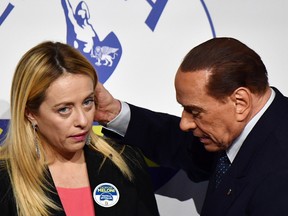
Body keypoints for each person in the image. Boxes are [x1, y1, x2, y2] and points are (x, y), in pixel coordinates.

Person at [94, 37, 288, 216]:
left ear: (240, 102)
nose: (184, 123)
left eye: (195, 112)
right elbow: (178, 143)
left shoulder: (279, 172)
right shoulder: (243, 129)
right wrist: (113, 113)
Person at [0, 41, 159, 216]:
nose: (83, 120)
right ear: (30, 113)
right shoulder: (5, 179)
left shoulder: (125, 162)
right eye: (64, 109)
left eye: (87, 102)